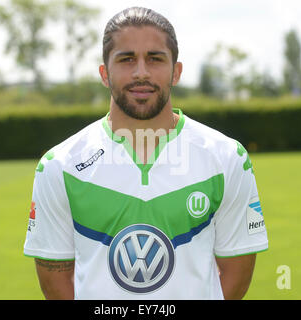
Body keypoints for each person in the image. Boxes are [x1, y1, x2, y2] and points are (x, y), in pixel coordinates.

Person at [23, 6, 268, 300]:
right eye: (127, 59)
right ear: (105, 73)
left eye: (155, 59)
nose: (141, 72)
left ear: (176, 71)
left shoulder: (227, 158)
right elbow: (55, 279)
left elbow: (237, 270)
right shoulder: (59, 165)